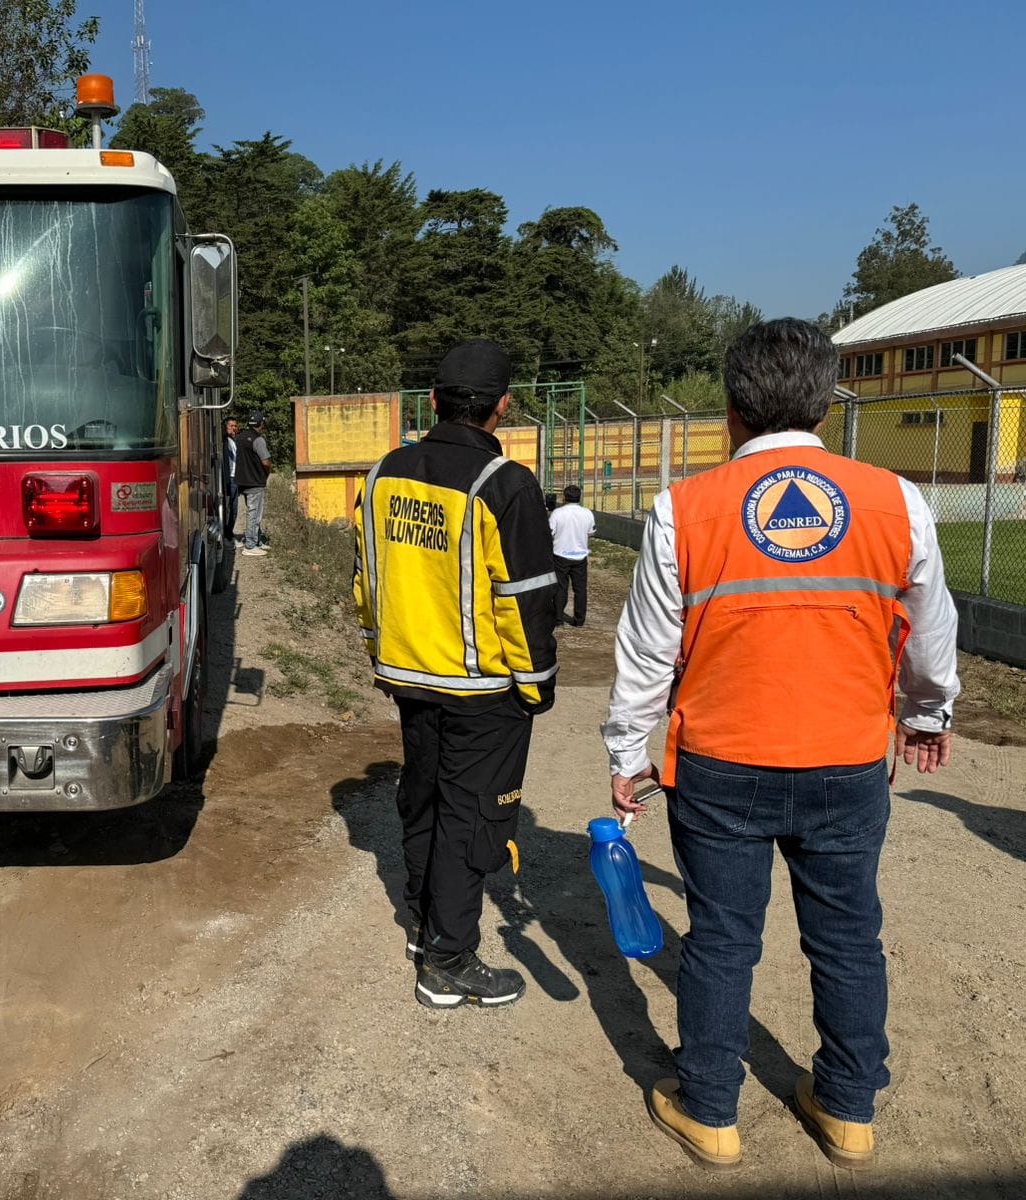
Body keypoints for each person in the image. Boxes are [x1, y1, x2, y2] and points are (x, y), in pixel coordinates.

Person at [601, 318, 960, 1170]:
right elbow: (929, 628)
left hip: (721, 760)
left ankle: (712, 1110)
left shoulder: (683, 507)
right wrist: (926, 713)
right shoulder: (895, 499)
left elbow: (649, 648)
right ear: (827, 409)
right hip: (846, 757)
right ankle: (847, 1110)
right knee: (846, 934)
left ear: (730, 410)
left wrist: (626, 753)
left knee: (723, 936)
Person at [353, 338, 558, 1009]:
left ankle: (426, 927)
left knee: (425, 800)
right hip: (479, 688)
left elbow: (366, 579)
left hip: (408, 673)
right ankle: (447, 962)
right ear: (502, 406)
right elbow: (526, 599)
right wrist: (536, 684)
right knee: (472, 819)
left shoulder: (384, 472)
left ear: (434, 401)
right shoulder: (505, 485)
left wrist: (379, 645)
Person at [549, 483, 595, 626]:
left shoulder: (557, 513)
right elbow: (591, 532)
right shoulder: (587, 513)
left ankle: (558, 618)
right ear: (579, 497)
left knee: (561, 587)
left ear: (564, 497)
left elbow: (549, 532)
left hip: (560, 554)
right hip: (580, 555)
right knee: (580, 589)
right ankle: (579, 620)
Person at [236, 411, 272, 557]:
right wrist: (266, 474)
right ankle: (250, 545)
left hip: (242, 480)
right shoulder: (258, 440)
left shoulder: (239, 438)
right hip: (255, 480)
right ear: (261, 424)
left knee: (252, 511)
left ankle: (256, 540)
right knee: (255, 514)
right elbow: (266, 461)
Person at [223, 417, 241, 541]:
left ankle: (230, 532)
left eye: (235, 426)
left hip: (236, 477)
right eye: (231, 425)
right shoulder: (224, 440)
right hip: (228, 477)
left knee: (234, 508)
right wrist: (226, 432)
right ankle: (226, 534)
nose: (233, 428)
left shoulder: (234, 441)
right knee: (228, 507)